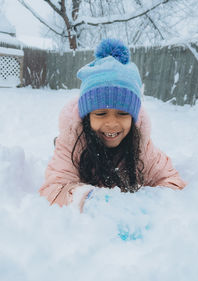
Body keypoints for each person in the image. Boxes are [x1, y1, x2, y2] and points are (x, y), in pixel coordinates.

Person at [39, 38, 186, 212]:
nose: (111, 123)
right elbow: (53, 189)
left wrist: (144, 202)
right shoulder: (72, 142)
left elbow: (172, 182)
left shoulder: (142, 146)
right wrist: (89, 200)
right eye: (101, 114)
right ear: (87, 117)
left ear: (133, 117)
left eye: (123, 114)